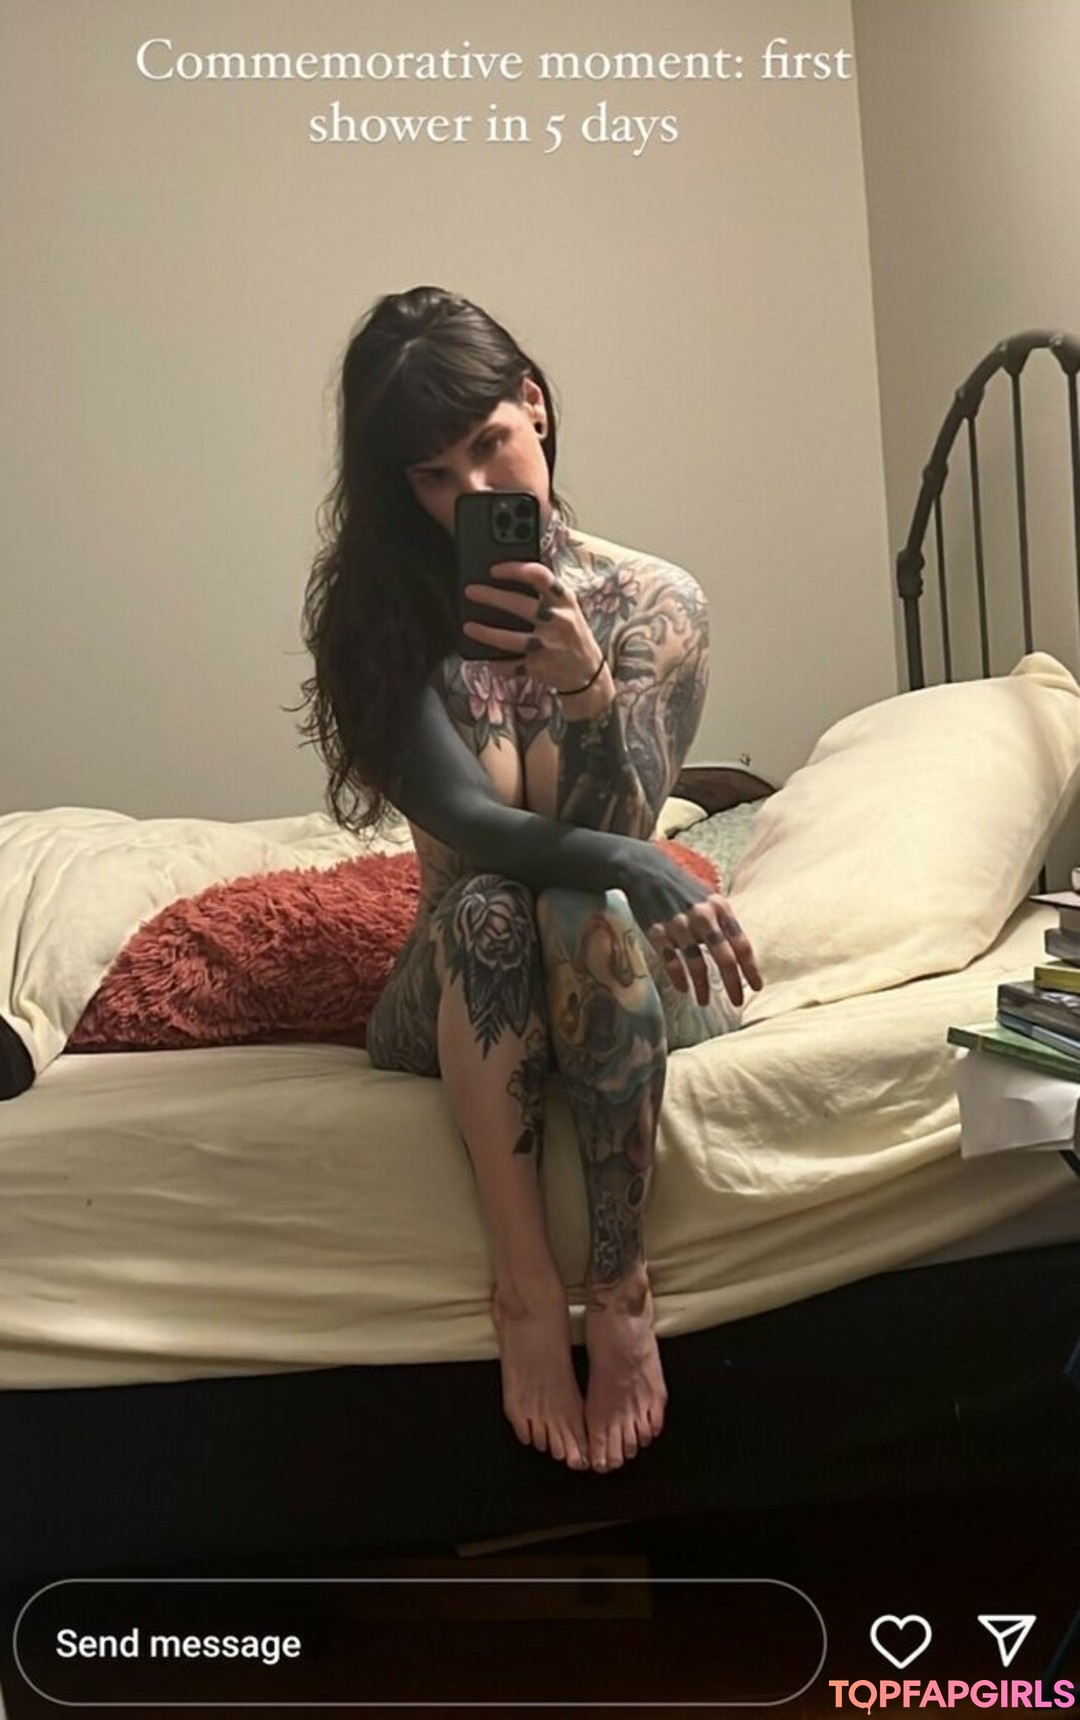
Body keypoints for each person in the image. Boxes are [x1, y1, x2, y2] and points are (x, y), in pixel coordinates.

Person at [299, 285, 762, 1474]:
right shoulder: (381, 621)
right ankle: (523, 1287)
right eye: (434, 475)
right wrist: (634, 861)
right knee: (496, 904)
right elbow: (469, 825)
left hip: (619, 960)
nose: (474, 490)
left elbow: (612, 831)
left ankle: (622, 1284)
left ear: (537, 407)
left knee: (582, 909)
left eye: (490, 442)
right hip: (452, 974)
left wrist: (589, 690)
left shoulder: (657, 606)